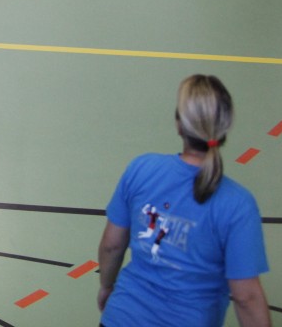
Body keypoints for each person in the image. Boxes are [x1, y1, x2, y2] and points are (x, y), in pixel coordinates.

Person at [96, 75, 271, 327]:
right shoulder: (237, 204)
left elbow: (111, 246)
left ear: (179, 125)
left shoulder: (141, 169)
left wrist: (106, 285)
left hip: (121, 318)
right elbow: (246, 297)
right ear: (225, 128)